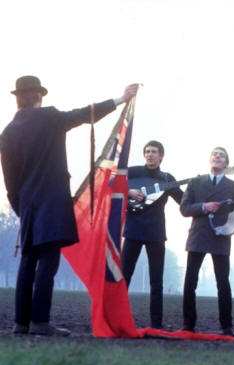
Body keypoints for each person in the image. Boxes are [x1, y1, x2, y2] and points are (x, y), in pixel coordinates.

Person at [0, 75, 138, 336]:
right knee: (48, 263)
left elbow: (10, 183)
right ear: (38, 96)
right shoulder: (50, 117)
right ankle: (40, 322)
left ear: (17, 98)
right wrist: (119, 100)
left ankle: (21, 322)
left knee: (28, 262)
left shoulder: (6, 133)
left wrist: (23, 210)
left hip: (27, 204)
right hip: (53, 201)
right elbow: (85, 114)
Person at [180, 147, 234, 336]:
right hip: (199, 235)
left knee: (223, 282)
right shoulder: (195, 182)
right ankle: (188, 325)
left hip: (221, 236)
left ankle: (226, 326)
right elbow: (184, 208)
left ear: (226, 164)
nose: (217, 157)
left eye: (222, 155)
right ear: (210, 160)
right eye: (214, 154)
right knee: (190, 282)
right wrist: (204, 206)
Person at [122, 140, 184, 329]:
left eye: (154, 151)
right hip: (132, 230)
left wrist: (199, 196)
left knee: (156, 281)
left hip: (156, 233)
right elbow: (110, 184)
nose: (150, 154)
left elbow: (183, 201)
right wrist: (128, 191)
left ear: (161, 156)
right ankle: (118, 317)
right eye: (147, 151)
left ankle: (156, 324)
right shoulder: (131, 172)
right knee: (125, 276)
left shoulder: (167, 178)